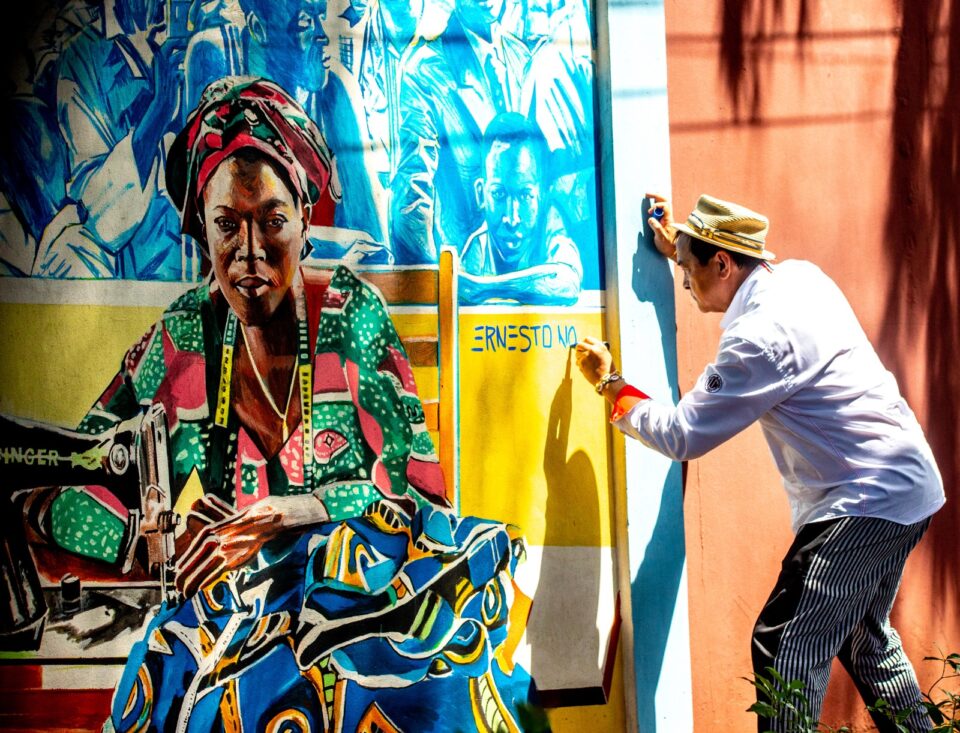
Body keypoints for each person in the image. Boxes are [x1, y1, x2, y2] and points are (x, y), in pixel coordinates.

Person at [18, 76, 536, 732]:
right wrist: (153, 540)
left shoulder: (352, 316)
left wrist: (295, 512)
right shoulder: (186, 340)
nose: (249, 252)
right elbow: (63, 484)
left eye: (272, 221)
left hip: (366, 607)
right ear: (202, 232)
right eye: (226, 225)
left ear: (304, 220)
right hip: (243, 615)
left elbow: (421, 497)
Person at [575, 193, 945, 733]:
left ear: (723, 263)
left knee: (784, 642)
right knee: (865, 639)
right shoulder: (800, 277)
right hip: (908, 484)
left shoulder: (759, 338)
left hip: (866, 498)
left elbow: (682, 434)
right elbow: (721, 260)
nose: (684, 281)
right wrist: (683, 245)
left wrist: (611, 384)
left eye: (689, 270)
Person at [459, 112, 582, 305]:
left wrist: (485, 289)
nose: (512, 219)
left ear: (542, 196)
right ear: (481, 194)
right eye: (499, 194)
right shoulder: (478, 247)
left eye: (525, 195)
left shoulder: (551, 231)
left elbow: (568, 282)